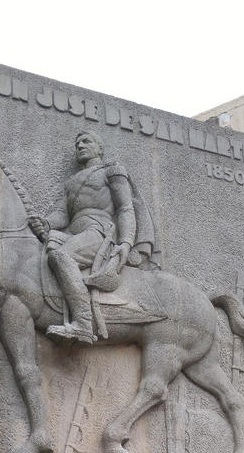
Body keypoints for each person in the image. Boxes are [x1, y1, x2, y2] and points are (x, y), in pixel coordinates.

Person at [29, 131, 154, 343]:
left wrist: (125, 243)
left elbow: (125, 208)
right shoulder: (71, 182)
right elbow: (62, 214)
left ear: (100, 148)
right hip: (73, 233)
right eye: (77, 143)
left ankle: (83, 324)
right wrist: (46, 223)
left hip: (99, 232)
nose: (80, 146)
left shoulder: (112, 170)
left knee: (61, 256)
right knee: (38, 257)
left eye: (86, 141)